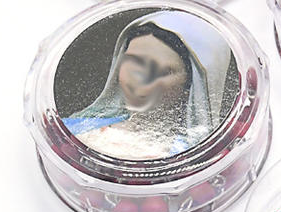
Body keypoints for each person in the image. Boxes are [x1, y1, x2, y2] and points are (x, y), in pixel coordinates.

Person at [63, 13, 236, 160]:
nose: (141, 79)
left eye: (162, 71)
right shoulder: (74, 129)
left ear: (191, 86)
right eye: (133, 64)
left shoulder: (191, 158)